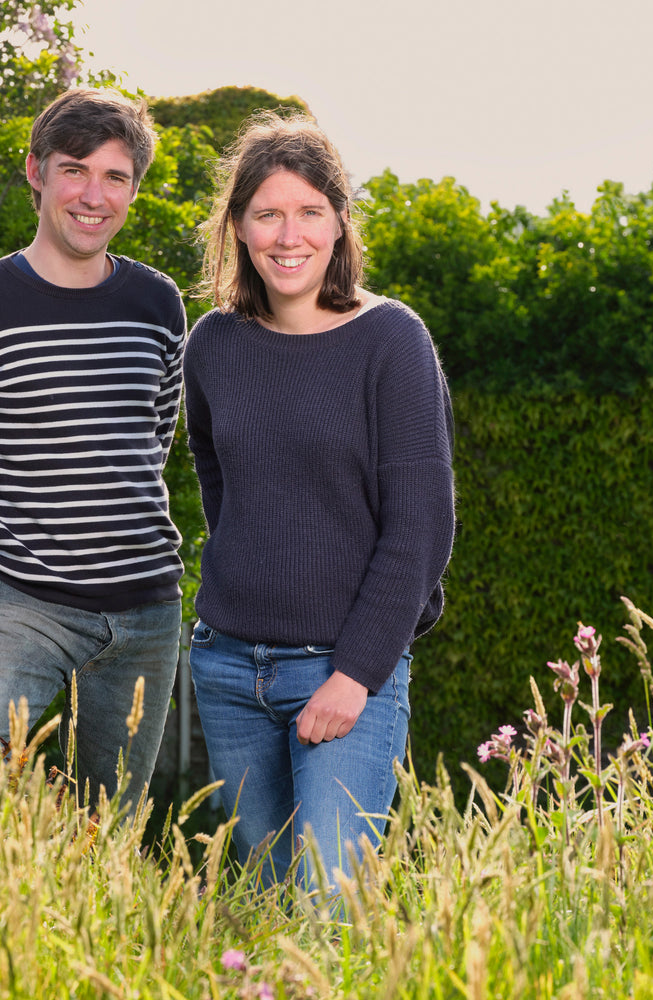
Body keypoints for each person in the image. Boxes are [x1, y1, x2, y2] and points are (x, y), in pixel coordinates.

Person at [0, 87, 187, 813]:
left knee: (104, 832)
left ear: (133, 190)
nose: (94, 195)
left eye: (116, 177)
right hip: (20, 609)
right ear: (36, 172)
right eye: (75, 169)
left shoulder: (158, 303)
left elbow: (154, 441)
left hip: (148, 615)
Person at [183, 112, 454, 891]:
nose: (286, 234)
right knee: (266, 905)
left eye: (307, 211)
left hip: (344, 675)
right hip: (228, 670)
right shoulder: (215, 345)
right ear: (238, 227)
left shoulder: (391, 340)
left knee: (329, 906)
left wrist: (356, 673)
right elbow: (219, 479)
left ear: (339, 221)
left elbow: (420, 527)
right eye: (266, 213)